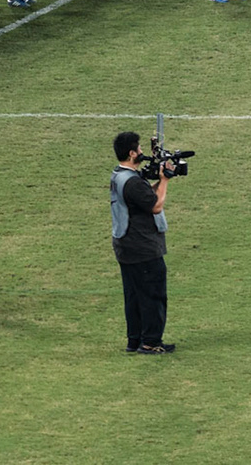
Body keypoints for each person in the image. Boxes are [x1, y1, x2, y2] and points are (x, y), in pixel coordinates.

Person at [110, 131, 174, 354]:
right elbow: (155, 205)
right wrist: (165, 180)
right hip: (142, 247)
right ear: (131, 153)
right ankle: (151, 342)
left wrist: (158, 181)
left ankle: (135, 340)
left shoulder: (120, 176)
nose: (142, 153)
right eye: (139, 150)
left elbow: (144, 198)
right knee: (153, 294)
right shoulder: (133, 183)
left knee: (134, 295)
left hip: (126, 245)